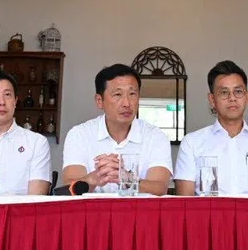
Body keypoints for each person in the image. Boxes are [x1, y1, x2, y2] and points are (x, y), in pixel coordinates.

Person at [175, 60, 248, 197]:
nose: (232, 98)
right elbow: (185, 202)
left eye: (238, 91)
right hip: (208, 212)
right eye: (224, 92)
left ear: (247, 96)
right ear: (212, 100)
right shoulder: (192, 143)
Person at [61, 63, 172, 195]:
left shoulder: (155, 136)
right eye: (118, 94)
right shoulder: (79, 135)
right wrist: (95, 177)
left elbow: (160, 188)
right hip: (93, 208)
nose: (127, 103)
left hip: (140, 209)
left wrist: (127, 179)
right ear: (99, 101)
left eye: (132, 94)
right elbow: (69, 189)